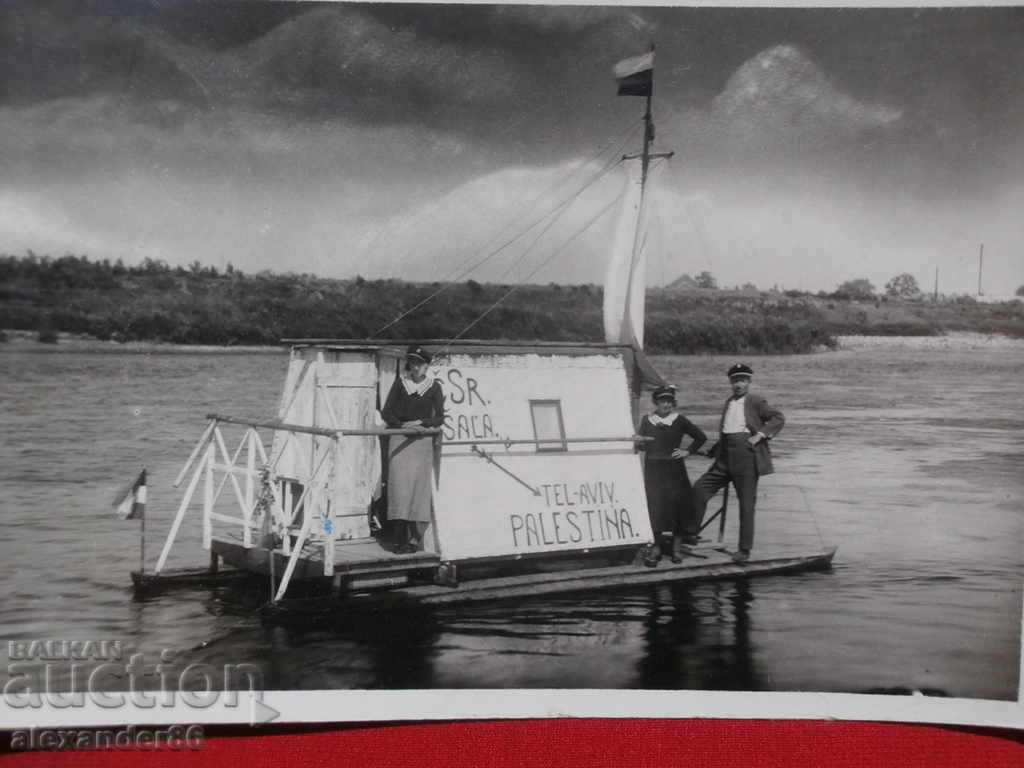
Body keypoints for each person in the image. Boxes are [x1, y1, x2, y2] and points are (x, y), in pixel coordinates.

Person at [684, 363, 784, 564]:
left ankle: (744, 550)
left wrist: (760, 435)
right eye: (735, 381)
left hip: (746, 459)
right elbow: (727, 431)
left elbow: (778, 418)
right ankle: (690, 534)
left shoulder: (756, 401)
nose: (738, 384)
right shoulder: (729, 401)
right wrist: (713, 451)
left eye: (742, 380)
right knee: (699, 490)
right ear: (730, 382)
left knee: (746, 505)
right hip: (724, 459)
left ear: (749, 382)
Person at [381, 345, 445, 554]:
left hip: (421, 442)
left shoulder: (433, 387)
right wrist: (401, 425)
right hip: (400, 439)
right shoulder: (401, 383)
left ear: (426, 366)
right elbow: (386, 412)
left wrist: (422, 423)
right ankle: (398, 539)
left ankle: (414, 540)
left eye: (419, 363)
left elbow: (440, 417)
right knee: (399, 489)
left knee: (418, 490)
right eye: (412, 363)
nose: (415, 367)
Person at [636, 385, 707, 567]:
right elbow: (642, 445)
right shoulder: (647, 420)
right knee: (655, 506)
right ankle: (656, 548)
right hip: (653, 469)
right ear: (655, 402)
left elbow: (700, 437)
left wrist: (687, 451)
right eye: (662, 401)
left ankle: (676, 548)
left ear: (673, 403)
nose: (666, 404)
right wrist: (639, 442)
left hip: (674, 469)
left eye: (669, 401)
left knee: (678, 506)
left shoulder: (679, 420)